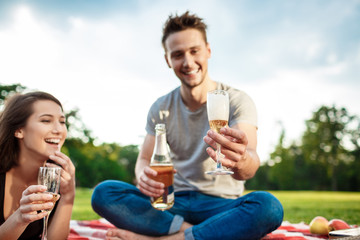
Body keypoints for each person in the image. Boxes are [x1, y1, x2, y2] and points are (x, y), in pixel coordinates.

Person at [92, 11, 283, 240]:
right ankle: (201, 233)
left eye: (194, 51)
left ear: (208, 50)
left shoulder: (236, 100)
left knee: (268, 207)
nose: (188, 62)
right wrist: (143, 174)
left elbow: (249, 165)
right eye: (178, 54)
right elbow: (144, 159)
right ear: (167, 60)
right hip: (174, 203)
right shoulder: (161, 107)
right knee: (104, 193)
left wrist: (241, 160)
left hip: (221, 206)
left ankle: (164, 238)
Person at [0, 91, 76, 239]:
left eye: (62, 122)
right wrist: (20, 218)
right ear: (19, 130)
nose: (59, 130)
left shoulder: (56, 177)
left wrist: (68, 196)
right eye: (46, 121)